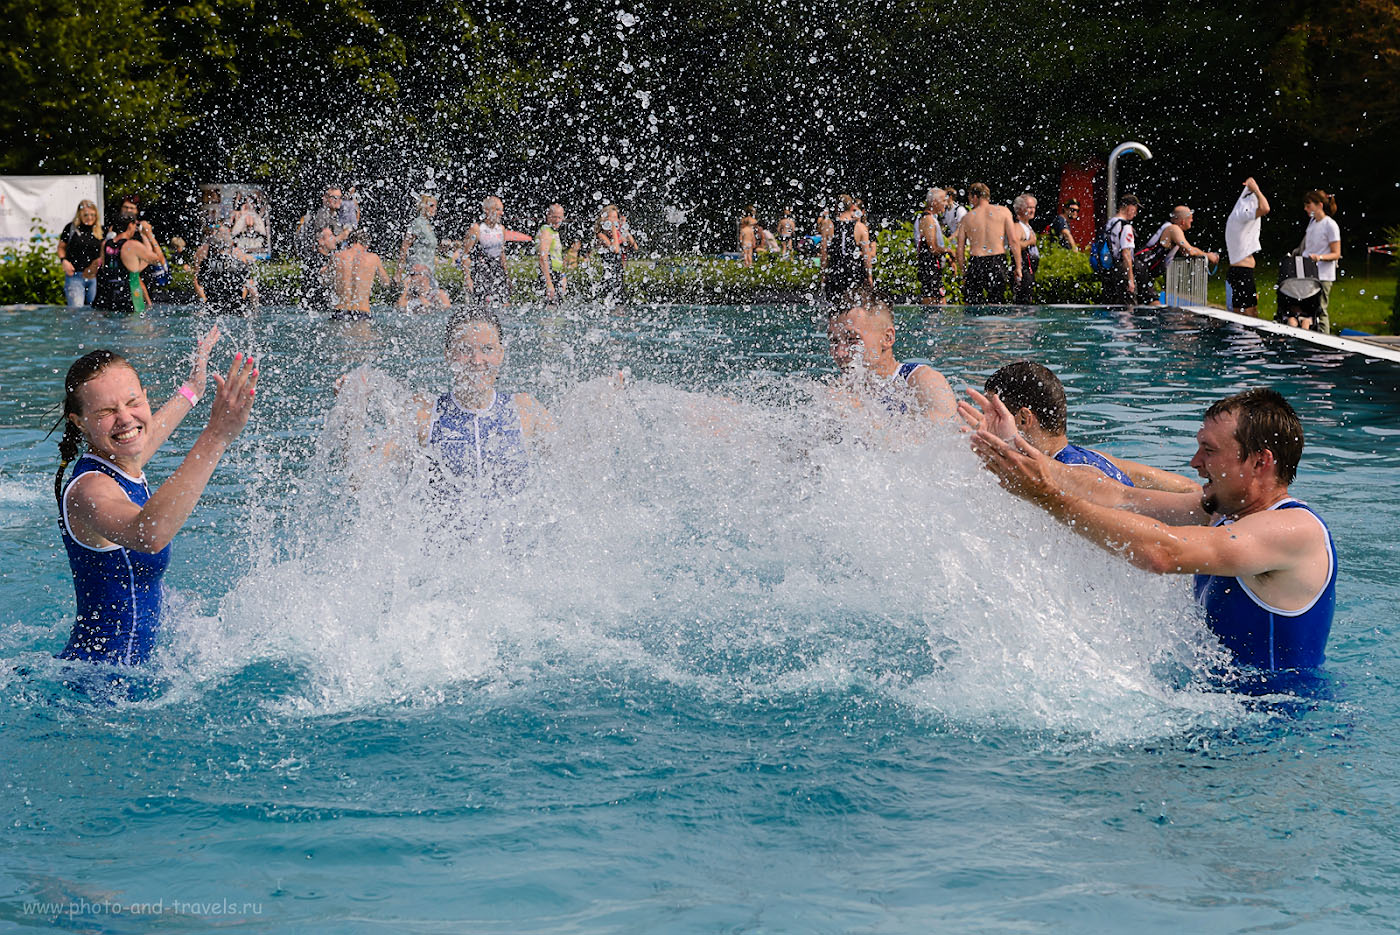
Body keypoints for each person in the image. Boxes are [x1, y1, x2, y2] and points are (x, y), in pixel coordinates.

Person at [971, 388, 1336, 672]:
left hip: (1277, 735)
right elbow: (1117, 495)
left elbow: (1163, 553)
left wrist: (1046, 497)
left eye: (1209, 451)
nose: (1195, 463)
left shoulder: (1293, 530)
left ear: (1260, 461)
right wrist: (1014, 452)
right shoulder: (1223, 512)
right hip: (1221, 715)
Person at [52, 327, 258, 665]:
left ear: (146, 397)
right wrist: (216, 436)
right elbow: (149, 535)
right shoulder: (90, 489)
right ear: (80, 422)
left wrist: (193, 390)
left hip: (132, 680)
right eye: (106, 412)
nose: (125, 419)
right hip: (96, 690)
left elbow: (143, 434)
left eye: (133, 403)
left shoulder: (121, 460)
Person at [960, 360, 1199, 491]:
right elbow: (1189, 487)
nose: (987, 421)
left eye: (993, 414)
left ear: (1023, 419)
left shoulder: (1080, 473)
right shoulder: (1094, 458)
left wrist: (1011, 447)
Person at [409, 308, 555, 501]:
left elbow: (575, 465)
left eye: (487, 349)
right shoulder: (425, 414)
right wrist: (356, 416)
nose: (477, 361)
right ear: (448, 355)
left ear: (501, 354)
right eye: (465, 350)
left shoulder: (524, 409)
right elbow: (361, 479)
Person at [826, 287, 956, 424]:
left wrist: (861, 420)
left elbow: (947, 438)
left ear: (888, 338)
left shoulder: (922, 382)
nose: (840, 352)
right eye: (834, 341)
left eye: (852, 339)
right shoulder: (838, 392)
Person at [954, 183, 1021, 304]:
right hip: (997, 262)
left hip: (976, 262)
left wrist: (964, 272)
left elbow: (960, 249)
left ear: (975, 196)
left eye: (969, 197)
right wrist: (1018, 267)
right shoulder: (1004, 212)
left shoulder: (967, 218)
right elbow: (1014, 241)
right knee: (996, 305)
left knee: (972, 307)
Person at [1137, 206, 1220, 295]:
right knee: (1147, 303)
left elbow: (1186, 253)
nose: (1192, 221)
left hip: (1143, 269)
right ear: (1183, 221)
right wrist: (1208, 256)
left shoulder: (1171, 229)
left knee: (1151, 302)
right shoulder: (1174, 229)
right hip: (1140, 268)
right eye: (1190, 218)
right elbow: (1190, 250)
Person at [92, 216, 163, 314]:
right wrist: (150, 235)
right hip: (129, 299)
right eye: (135, 225)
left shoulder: (105, 244)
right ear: (130, 225)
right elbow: (160, 260)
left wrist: (143, 236)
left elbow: (109, 269)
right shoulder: (132, 245)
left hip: (105, 298)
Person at [1294, 190, 1341, 333]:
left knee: (1320, 310)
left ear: (1319, 205)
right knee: (1307, 311)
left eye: (1308, 206)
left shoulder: (1330, 225)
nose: (1305, 209)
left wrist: (1319, 257)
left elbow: (1336, 253)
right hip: (1309, 273)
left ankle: (1324, 343)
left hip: (1323, 275)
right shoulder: (1312, 222)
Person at [1224, 178, 1271, 317]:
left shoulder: (1237, 215)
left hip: (1241, 273)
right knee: (1248, 318)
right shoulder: (1241, 214)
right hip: (1241, 274)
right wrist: (1256, 190)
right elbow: (1265, 208)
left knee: (1246, 317)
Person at [398, 194, 450, 310]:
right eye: (431, 206)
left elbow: (427, 248)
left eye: (435, 206)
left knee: (438, 304)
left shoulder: (428, 225)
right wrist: (399, 272)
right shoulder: (418, 223)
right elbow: (404, 246)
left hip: (428, 272)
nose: (434, 209)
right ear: (423, 207)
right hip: (418, 271)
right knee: (424, 304)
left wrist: (444, 248)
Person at [326, 230, 390, 320]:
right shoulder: (373, 258)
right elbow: (386, 282)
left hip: (340, 311)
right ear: (366, 245)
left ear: (349, 242)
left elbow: (325, 280)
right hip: (361, 312)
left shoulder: (337, 256)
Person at [191, 226, 259, 311]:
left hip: (219, 304)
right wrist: (204, 300)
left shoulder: (237, 254)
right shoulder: (203, 251)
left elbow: (198, 279)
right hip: (223, 303)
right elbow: (248, 283)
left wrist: (241, 301)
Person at [461, 195, 512, 306]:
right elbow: (465, 254)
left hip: (497, 271)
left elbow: (502, 253)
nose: (501, 213)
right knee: (483, 306)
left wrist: (507, 276)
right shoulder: (477, 229)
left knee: (504, 304)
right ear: (487, 211)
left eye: (502, 210)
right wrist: (468, 278)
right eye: (498, 209)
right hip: (481, 272)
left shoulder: (501, 229)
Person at [820, 194, 873, 301]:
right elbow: (867, 256)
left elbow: (824, 254)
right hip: (854, 274)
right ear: (852, 207)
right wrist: (869, 276)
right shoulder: (861, 228)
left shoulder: (828, 225)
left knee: (834, 309)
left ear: (836, 207)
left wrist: (824, 274)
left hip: (835, 272)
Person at [58, 200, 104, 308]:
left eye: (93, 215)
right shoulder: (71, 228)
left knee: (94, 312)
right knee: (76, 311)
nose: (89, 218)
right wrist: (63, 261)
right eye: (86, 215)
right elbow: (61, 247)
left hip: (95, 277)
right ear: (79, 215)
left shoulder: (101, 230)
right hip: (75, 276)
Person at [1099, 194, 1139, 305]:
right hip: (1122, 270)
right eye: (1135, 209)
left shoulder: (1110, 223)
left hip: (1109, 269)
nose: (1135, 213)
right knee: (1128, 305)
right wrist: (1130, 279)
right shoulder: (1125, 226)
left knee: (1111, 305)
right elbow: (1126, 253)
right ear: (1130, 207)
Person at [915, 188, 951, 306]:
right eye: (944, 200)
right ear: (935, 202)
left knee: (940, 301)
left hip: (932, 266)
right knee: (931, 302)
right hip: (929, 266)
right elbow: (933, 248)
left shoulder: (932, 218)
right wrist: (949, 251)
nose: (946, 204)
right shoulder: (928, 219)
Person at [1011, 193, 1039, 304]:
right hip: (1023, 270)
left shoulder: (1027, 225)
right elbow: (1015, 244)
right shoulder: (1018, 226)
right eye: (1029, 207)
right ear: (1020, 209)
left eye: (1033, 207)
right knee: (1023, 302)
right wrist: (1030, 242)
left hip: (1029, 270)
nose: (1032, 210)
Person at [537, 202, 568, 303]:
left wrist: (563, 276)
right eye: (555, 217)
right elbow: (543, 257)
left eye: (560, 217)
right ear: (548, 216)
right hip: (549, 275)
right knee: (550, 312)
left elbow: (558, 258)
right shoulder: (546, 231)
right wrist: (549, 283)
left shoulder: (554, 232)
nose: (557, 220)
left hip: (557, 274)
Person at [595, 204, 626, 302]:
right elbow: (615, 249)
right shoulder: (601, 235)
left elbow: (634, 245)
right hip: (609, 279)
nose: (614, 220)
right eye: (612, 217)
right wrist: (614, 229)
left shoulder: (615, 236)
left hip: (618, 277)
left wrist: (623, 228)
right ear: (604, 218)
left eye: (616, 218)